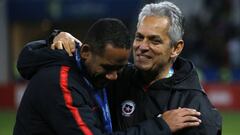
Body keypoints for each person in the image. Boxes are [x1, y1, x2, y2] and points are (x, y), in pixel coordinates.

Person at [47, 1, 222, 134]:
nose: (142, 46)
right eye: (139, 37)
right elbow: (27, 63)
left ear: (176, 48)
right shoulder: (114, 77)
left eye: (154, 40)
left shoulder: (194, 107)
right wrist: (55, 39)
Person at [14, 18, 201, 135]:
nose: (114, 77)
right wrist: (162, 126)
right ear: (85, 52)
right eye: (108, 68)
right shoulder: (60, 82)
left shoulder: (92, 71)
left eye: (119, 68)